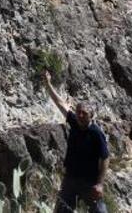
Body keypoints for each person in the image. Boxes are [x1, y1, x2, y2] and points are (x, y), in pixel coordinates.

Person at [42, 71, 110, 213]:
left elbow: (105, 158)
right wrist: (48, 84)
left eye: (84, 113)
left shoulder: (96, 133)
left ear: (91, 116)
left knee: (99, 211)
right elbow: (60, 102)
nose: (79, 115)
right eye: (78, 111)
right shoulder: (74, 122)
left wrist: (100, 184)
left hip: (89, 181)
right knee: (61, 210)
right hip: (71, 178)